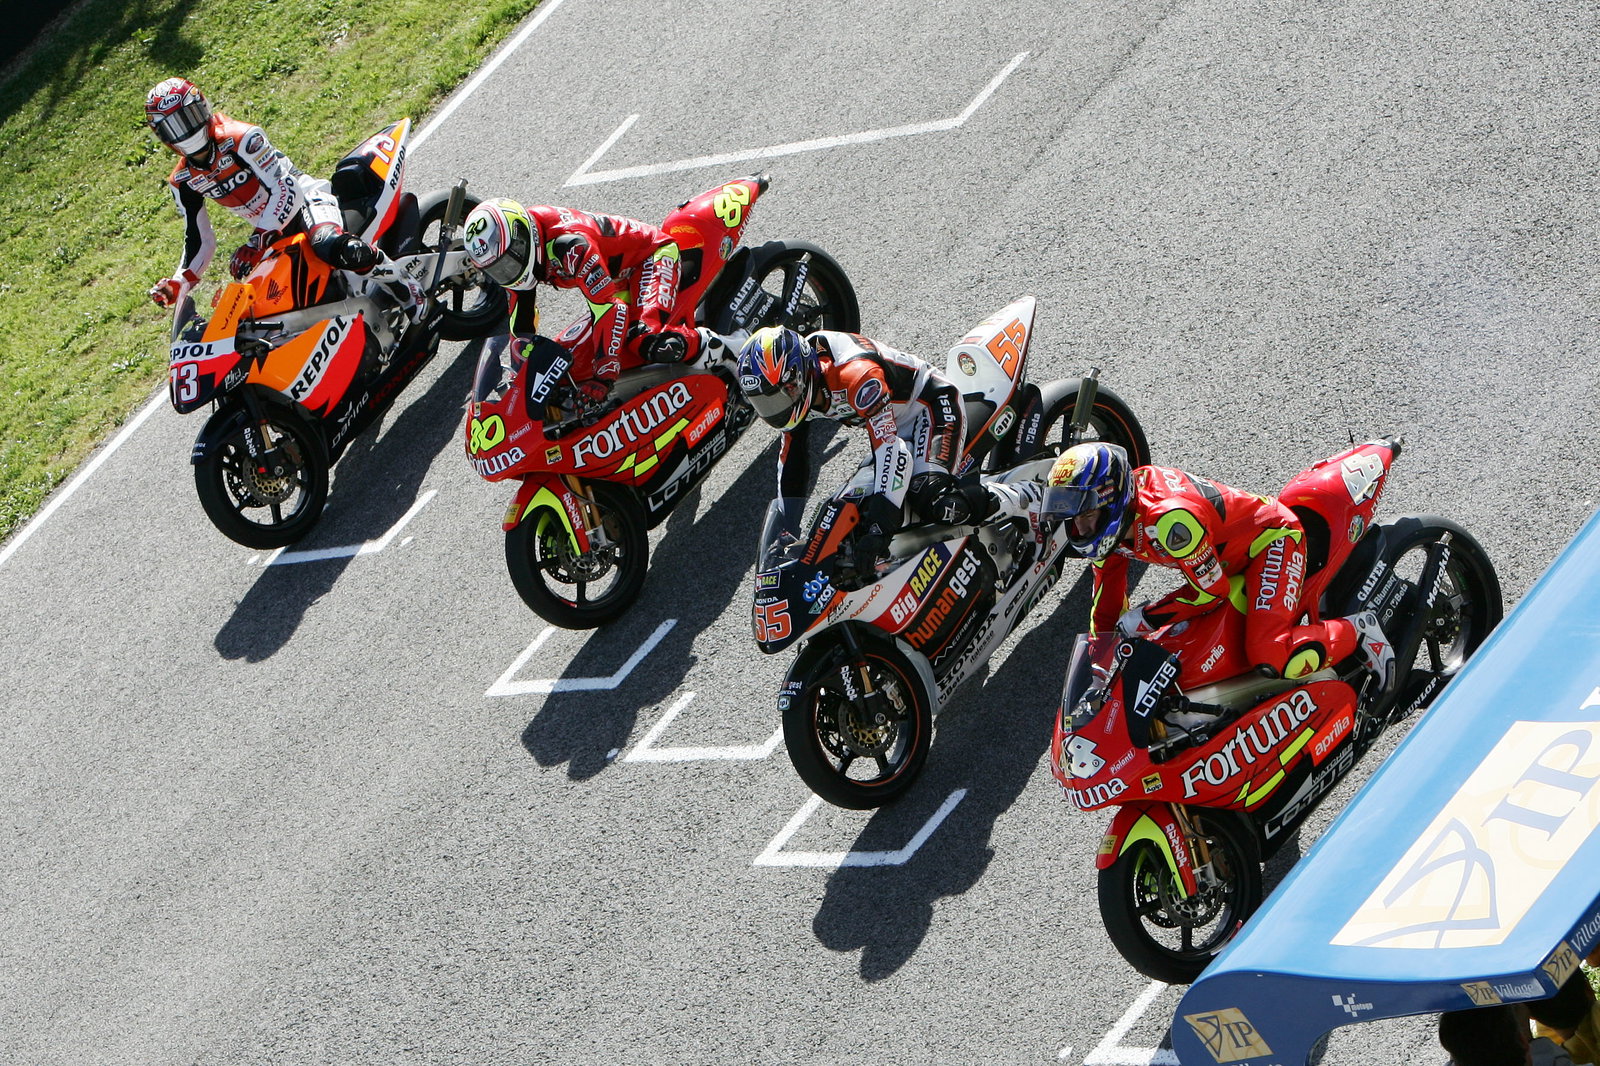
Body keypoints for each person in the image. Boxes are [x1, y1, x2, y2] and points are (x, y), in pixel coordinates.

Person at [1038, 441, 1394, 686]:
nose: (1080, 528)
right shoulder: (1113, 527)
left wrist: (1147, 617)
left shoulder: (1171, 521)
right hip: (1223, 560)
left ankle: (1360, 632)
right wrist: (1097, 666)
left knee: (1270, 653)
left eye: (1085, 515)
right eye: (1072, 519)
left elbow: (1210, 592)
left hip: (1269, 544)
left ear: (1110, 499)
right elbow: (1106, 602)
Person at [736, 325, 1038, 571]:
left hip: (930, 408)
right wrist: (786, 529)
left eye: (777, 397)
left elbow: (892, 451)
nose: (775, 410)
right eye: (763, 403)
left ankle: (1024, 497)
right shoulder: (801, 392)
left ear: (796, 379)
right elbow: (792, 462)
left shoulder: (855, 375)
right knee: (852, 510)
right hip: (891, 426)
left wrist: (880, 526)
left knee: (932, 498)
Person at [143, 77, 423, 319]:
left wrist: (257, 241)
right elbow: (199, 240)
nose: (186, 130)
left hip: (306, 202)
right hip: (270, 232)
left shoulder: (242, 138)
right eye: (174, 127)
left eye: (189, 117)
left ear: (203, 108)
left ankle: (407, 288)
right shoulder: (182, 181)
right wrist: (180, 282)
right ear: (163, 136)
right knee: (265, 303)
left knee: (331, 244)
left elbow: (286, 189)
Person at [461, 197, 718, 406]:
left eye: (508, 261)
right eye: (498, 270)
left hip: (649, 258)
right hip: (614, 279)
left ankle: (717, 347)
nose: (508, 272)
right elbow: (521, 327)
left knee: (644, 339)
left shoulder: (570, 245)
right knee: (571, 362)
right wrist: (520, 382)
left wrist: (604, 376)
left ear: (521, 237)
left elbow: (609, 308)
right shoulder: (522, 256)